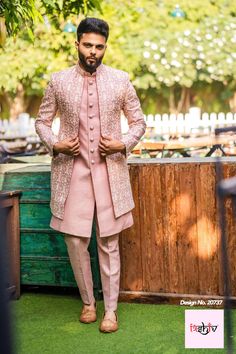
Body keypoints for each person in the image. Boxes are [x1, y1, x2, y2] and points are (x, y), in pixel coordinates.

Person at [35, 17, 146, 333]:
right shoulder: (58, 81)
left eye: (99, 46)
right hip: (72, 173)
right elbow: (42, 122)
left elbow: (138, 123)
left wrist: (121, 143)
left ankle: (110, 310)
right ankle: (88, 302)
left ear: (105, 47)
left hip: (110, 173)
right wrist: (55, 144)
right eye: (88, 45)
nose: (93, 52)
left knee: (108, 242)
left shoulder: (121, 80)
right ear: (77, 44)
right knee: (74, 239)